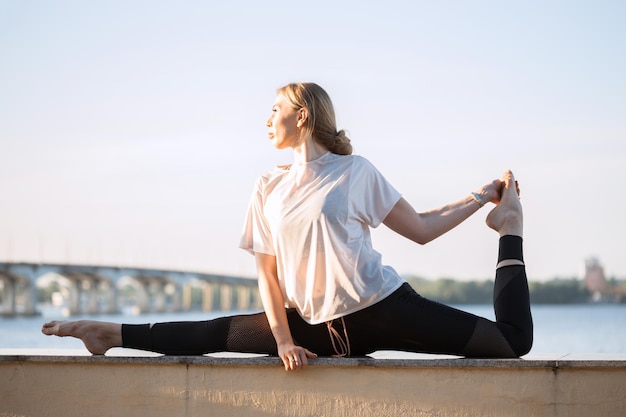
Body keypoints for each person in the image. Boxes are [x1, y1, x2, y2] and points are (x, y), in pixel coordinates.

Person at [42, 82, 533, 372]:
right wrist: (282, 340)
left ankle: (509, 226)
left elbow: (422, 228)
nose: (266, 119)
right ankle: (108, 332)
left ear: (301, 115)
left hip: (383, 308)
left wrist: (483, 197)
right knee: (213, 331)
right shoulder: (266, 187)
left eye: (274, 110)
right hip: (311, 327)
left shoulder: (355, 171)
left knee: (511, 343)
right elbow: (267, 274)